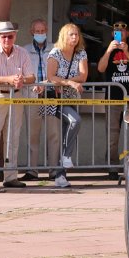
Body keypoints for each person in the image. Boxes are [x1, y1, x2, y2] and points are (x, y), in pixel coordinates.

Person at [0, 21, 34, 189]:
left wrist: (22, 79)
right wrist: (9, 79)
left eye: (10, 36)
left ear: (15, 36)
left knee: (13, 138)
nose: (7, 40)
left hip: (15, 96)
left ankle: (10, 177)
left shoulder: (22, 52)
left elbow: (32, 77)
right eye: (3, 36)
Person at [43, 23, 88, 189]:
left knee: (67, 134)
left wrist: (65, 82)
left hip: (71, 98)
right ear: (64, 36)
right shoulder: (55, 53)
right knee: (75, 121)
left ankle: (61, 175)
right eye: (71, 34)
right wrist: (69, 82)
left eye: (76, 34)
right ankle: (66, 157)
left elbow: (83, 76)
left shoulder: (81, 52)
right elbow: (50, 76)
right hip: (55, 99)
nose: (75, 37)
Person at [97, 21, 129, 178]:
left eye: (123, 31)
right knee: (112, 136)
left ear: (128, 33)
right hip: (113, 99)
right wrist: (109, 51)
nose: (120, 33)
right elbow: (101, 68)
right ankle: (112, 168)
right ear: (112, 34)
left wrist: (127, 52)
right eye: (116, 31)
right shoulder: (106, 49)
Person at [20, 18, 55, 181]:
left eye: (42, 31)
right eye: (37, 31)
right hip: (32, 96)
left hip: (51, 95)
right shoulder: (24, 50)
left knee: (53, 134)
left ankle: (54, 170)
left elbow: (58, 72)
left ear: (46, 31)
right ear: (31, 32)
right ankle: (32, 170)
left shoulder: (54, 49)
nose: (40, 34)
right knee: (32, 134)